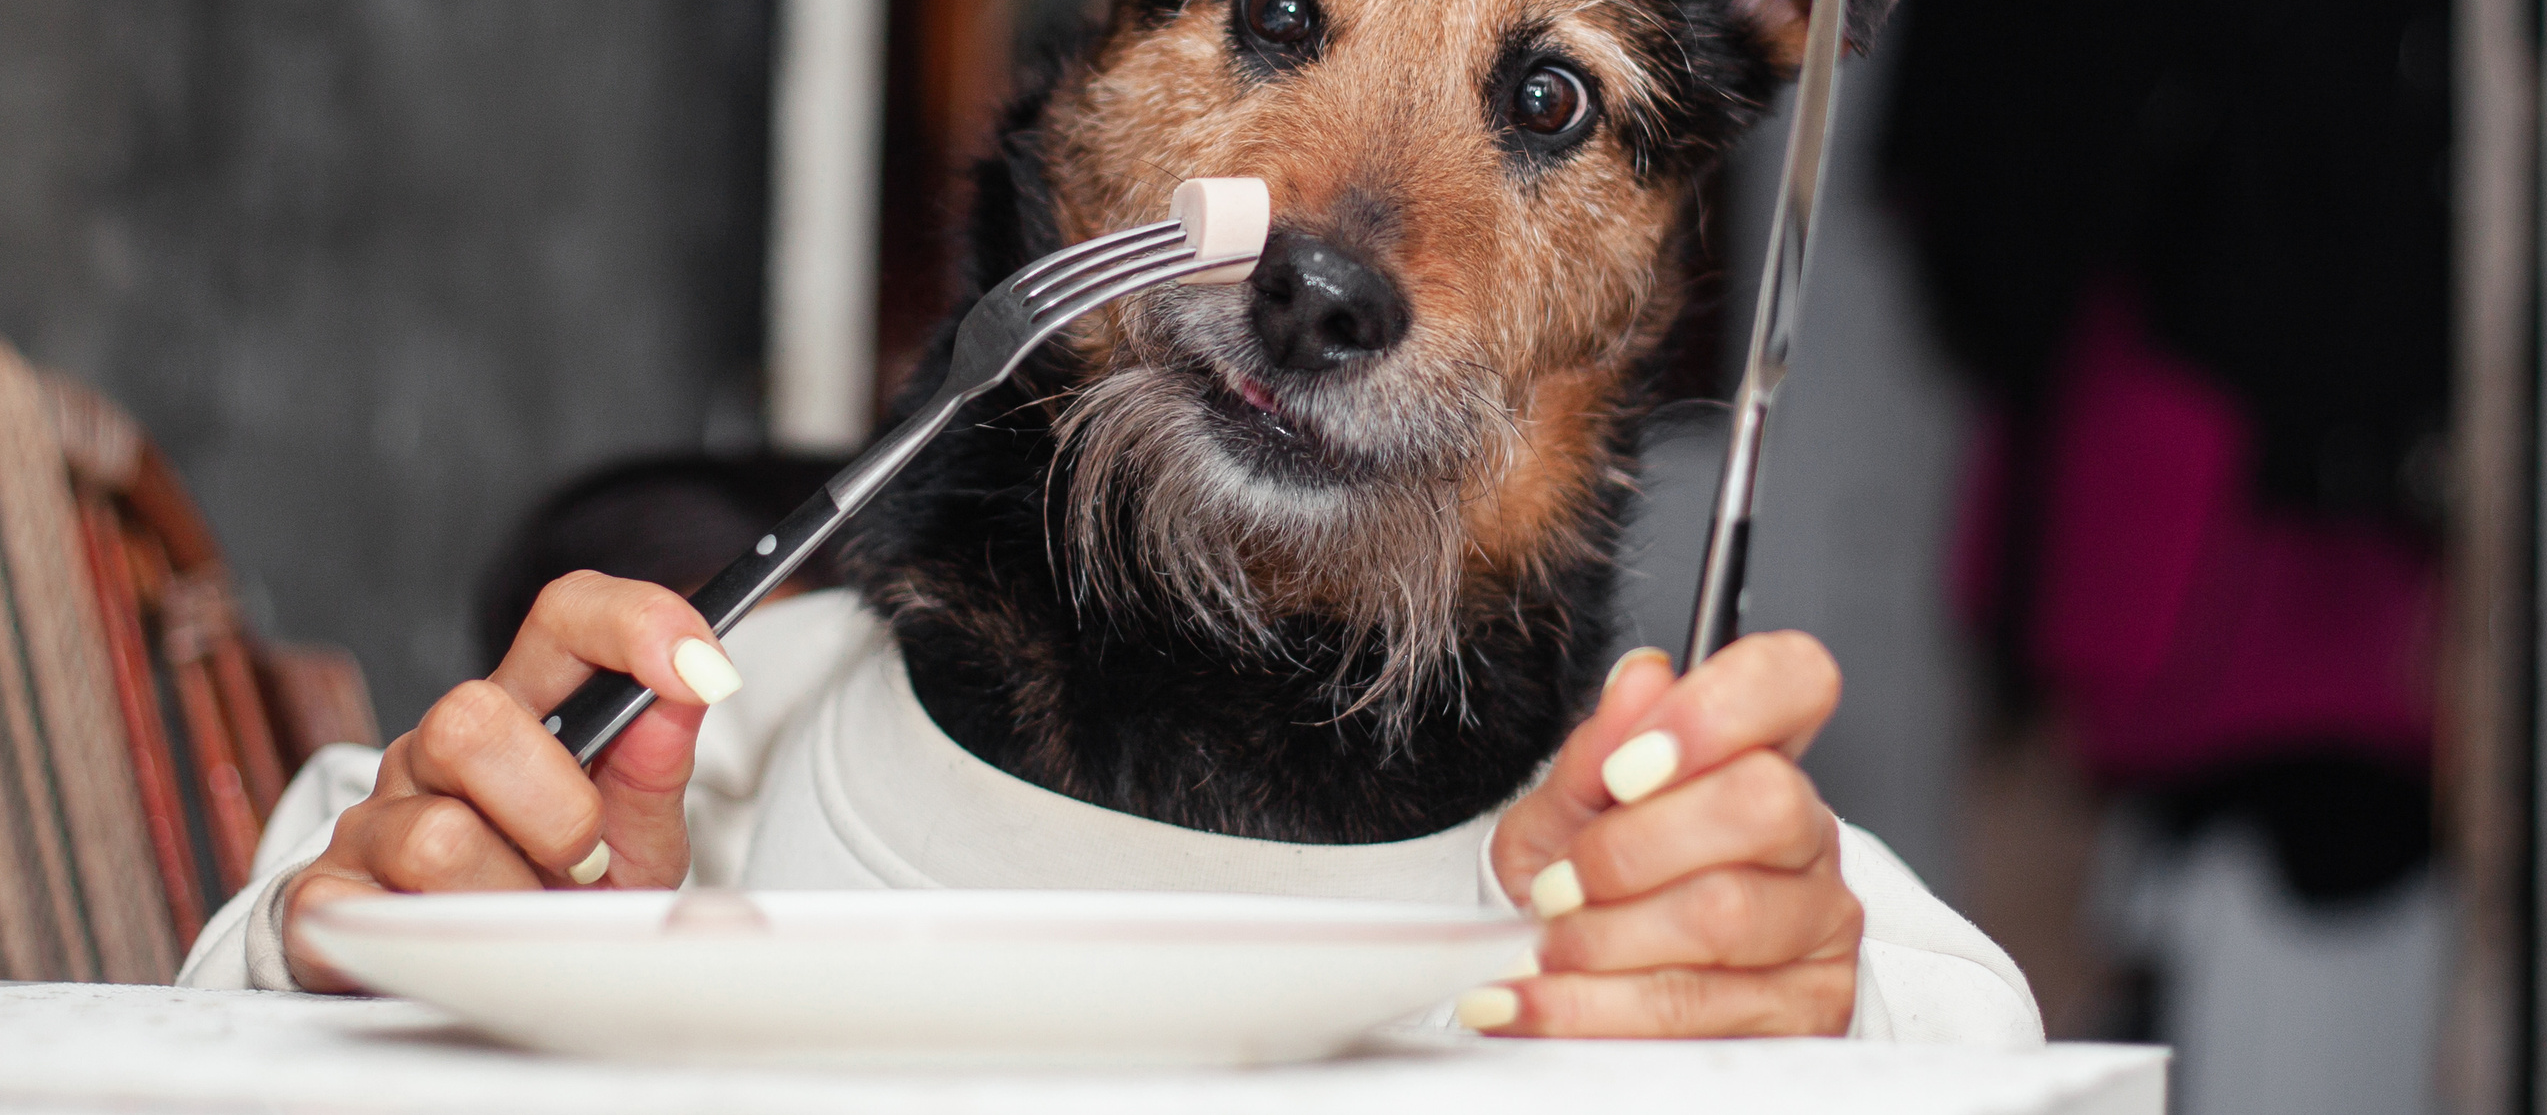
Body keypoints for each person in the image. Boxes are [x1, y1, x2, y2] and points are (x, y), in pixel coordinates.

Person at [183, 568, 2041, 1044]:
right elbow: (223, 996)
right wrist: (421, 966)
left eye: (1545, 107)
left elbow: (1968, 1038)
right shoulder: (716, 742)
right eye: (1275, 18)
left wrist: (1803, 1024)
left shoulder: (1703, 875)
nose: (1342, 231)